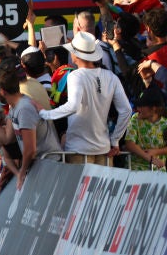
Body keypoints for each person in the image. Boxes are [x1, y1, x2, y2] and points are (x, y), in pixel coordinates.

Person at [38, 32, 132, 165]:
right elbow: (126, 110)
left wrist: (44, 114)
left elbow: (73, 106)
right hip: (103, 149)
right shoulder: (111, 76)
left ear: (76, 55)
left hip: (79, 150)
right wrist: (114, 140)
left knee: (79, 186)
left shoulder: (76, 76)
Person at [122, 86, 167, 170]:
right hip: (135, 169)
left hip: (158, 170)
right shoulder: (135, 119)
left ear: (153, 108)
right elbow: (129, 143)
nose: (138, 109)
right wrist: (149, 158)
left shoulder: (165, 124)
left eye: (142, 106)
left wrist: (156, 152)